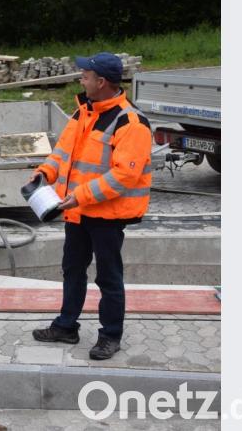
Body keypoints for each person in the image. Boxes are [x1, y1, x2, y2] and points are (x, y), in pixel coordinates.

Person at [29, 52, 153, 360]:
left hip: (107, 215)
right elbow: (62, 152)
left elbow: (124, 175)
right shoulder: (82, 112)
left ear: (102, 82)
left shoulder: (131, 122)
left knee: (108, 277)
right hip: (77, 211)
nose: (80, 78)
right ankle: (66, 326)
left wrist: (81, 195)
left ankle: (110, 335)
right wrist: (46, 171)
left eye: (85, 75)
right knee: (72, 270)